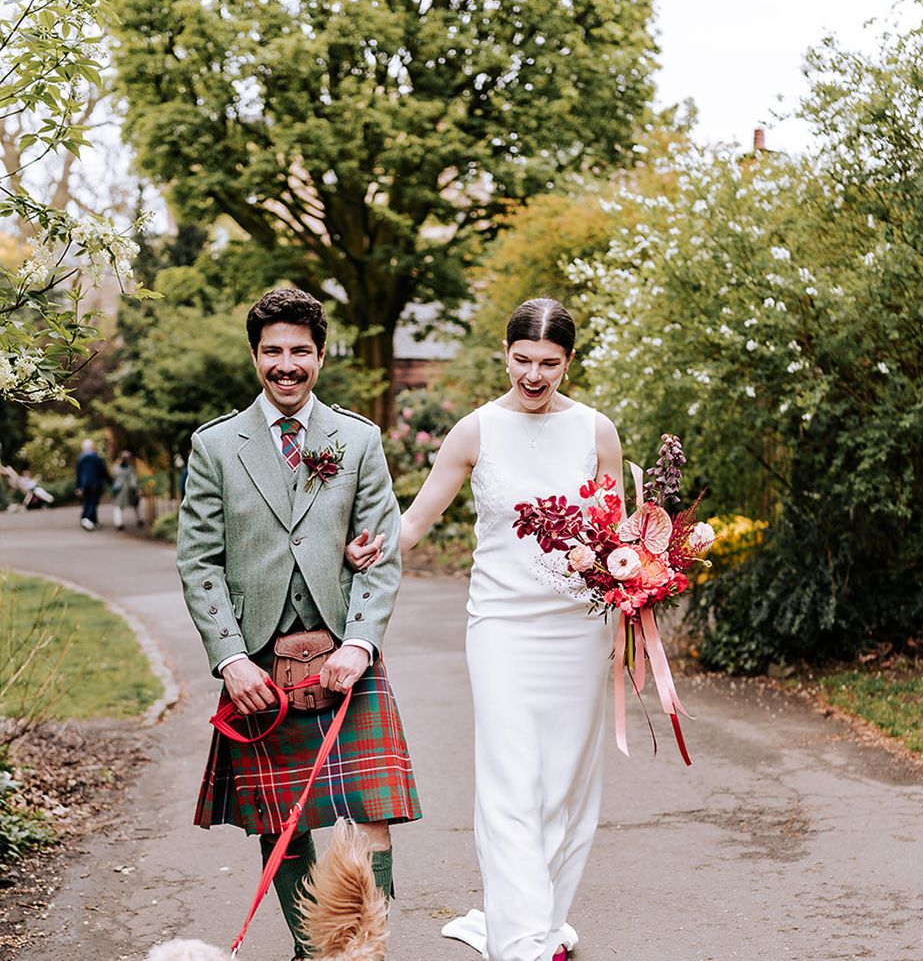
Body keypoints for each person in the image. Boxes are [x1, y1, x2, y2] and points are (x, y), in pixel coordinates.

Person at [350, 297, 623, 961]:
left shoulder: (597, 431)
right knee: (510, 778)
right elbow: (414, 522)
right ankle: (523, 941)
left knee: (566, 780)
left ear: (569, 361)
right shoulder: (475, 431)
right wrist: (373, 546)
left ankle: (541, 918)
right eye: (522, 360)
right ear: (505, 354)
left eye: (548, 364)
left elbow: (622, 540)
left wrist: (639, 573)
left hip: (581, 629)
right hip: (500, 626)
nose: (533, 376)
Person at [176, 287, 420, 961]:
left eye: (300, 351)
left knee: (374, 813)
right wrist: (231, 659)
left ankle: (363, 950)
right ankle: (315, 953)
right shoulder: (216, 446)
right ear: (255, 355)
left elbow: (382, 552)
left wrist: (361, 644)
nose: (287, 365)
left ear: (320, 355)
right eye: (273, 351)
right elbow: (199, 561)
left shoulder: (358, 439)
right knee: (282, 824)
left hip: (346, 658)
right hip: (258, 664)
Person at [75, 438, 110, 530]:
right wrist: (110, 482)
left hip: (85, 485)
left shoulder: (80, 458)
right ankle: (87, 520)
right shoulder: (96, 457)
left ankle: (93, 521)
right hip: (95, 484)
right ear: (92, 447)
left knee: (87, 502)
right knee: (93, 503)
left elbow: (78, 474)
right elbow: (103, 471)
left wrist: (78, 487)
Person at [110, 451, 144, 530]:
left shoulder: (117, 468)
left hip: (122, 490)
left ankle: (120, 522)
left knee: (124, 505)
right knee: (121, 506)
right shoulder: (127, 469)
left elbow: (113, 478)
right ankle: (120, 522)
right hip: (123, 489)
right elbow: (133, 480)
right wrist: (136, 488)